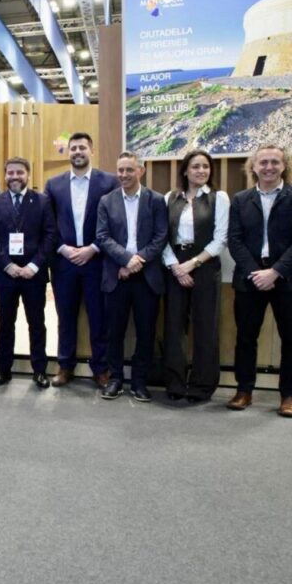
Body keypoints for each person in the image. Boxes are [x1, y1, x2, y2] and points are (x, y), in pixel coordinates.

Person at [227, 145, 292, 418]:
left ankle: (289, 396)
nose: (268, 167)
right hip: (250, 278)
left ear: (284, 165)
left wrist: (275, 272)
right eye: (263, 162)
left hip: (288, 279)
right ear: (253, 167)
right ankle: (244, 390)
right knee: (245, 338)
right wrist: (256, 272)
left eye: (275, 162)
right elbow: (235, 240)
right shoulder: (241, 199)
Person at [44, 132, 120, 388]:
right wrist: (63, 249)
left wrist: (94, 248)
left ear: (91, 150)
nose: (77, 152)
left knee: (98, 317)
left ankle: (101, 369)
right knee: (65, 316)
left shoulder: (109, 182)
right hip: (64, 262)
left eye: (82, 147)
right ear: (68, 152)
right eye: (73, 148)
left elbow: (115, 222)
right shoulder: (53, 184)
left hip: (96, 260)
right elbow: (48, 224)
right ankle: (65, 366)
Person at [95, 152, 168, 402]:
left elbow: (161, 236)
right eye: (120, 170)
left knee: (145, 333)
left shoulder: (156, 200)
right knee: (114, 332)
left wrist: (138, 261)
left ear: (141, 171)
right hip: (117, 275)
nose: (124, 175)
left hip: (147, 278)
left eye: (129, 170)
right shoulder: (106, 201)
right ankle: (115, 379)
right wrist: (127, 260)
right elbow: (103, 237)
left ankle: (139, 382)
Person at [161, 149, 229, 402]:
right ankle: (175, 383)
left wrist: (192, 264)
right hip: (174, 266)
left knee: (205, 327)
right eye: (195, 166)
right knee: (174, 327)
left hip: (205, 265)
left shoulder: (219, 198)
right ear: (185, 170)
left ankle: (202, 385)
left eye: (205, 166)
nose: (201, 171)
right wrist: (174, 266)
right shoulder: (171, 197)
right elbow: (163, 236)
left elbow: (221, 238)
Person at [0, 157, 56, 388]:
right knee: (5, 324)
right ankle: (4, 370)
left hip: (34, 274)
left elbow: (50, 235)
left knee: (37, 323)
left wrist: (33, 266)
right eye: (10, 173)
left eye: (19, 173)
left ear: (28, 175)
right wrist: (7, 265)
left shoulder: (42, 201)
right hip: (6, 274)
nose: (14, 177)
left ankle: (39, 370)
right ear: (4, 175)